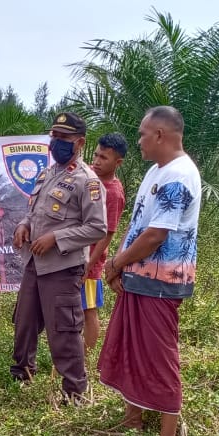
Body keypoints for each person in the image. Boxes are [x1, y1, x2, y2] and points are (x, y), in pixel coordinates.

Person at [100, 107, 202, 436]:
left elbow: (156, 235)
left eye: (143, 134)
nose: (139, 141)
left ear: (160, 134)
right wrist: (120, 266)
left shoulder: (179, 175)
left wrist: (117, 263)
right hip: (141, 276)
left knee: (159, 356)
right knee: (133, 348)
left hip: (162, 280)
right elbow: (137, 225)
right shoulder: (156, 171)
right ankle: (133, 417)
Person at [11, 112, 107, 403]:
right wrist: (24, 225)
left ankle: (75, 390)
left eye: (64, 137)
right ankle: (22, 374)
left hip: (62, 267)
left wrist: (56, 238)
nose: (56, 142)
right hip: (34, 263)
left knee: (63, 329)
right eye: (54, 135)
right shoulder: (49, 173)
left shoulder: (87, 181)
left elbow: (97, 228)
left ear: (80, 142)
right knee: (24, 322)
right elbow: (35, 211)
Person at [82, 133, 128, 351]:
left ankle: (85, 356)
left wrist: (89, 265)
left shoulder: (114, 193)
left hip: (90, 261)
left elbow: (107, 234)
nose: (97, 161)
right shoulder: (89, 177)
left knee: (88, 309)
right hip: (75, 254)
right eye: (96, 155)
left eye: (103, 158)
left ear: (118, 162)